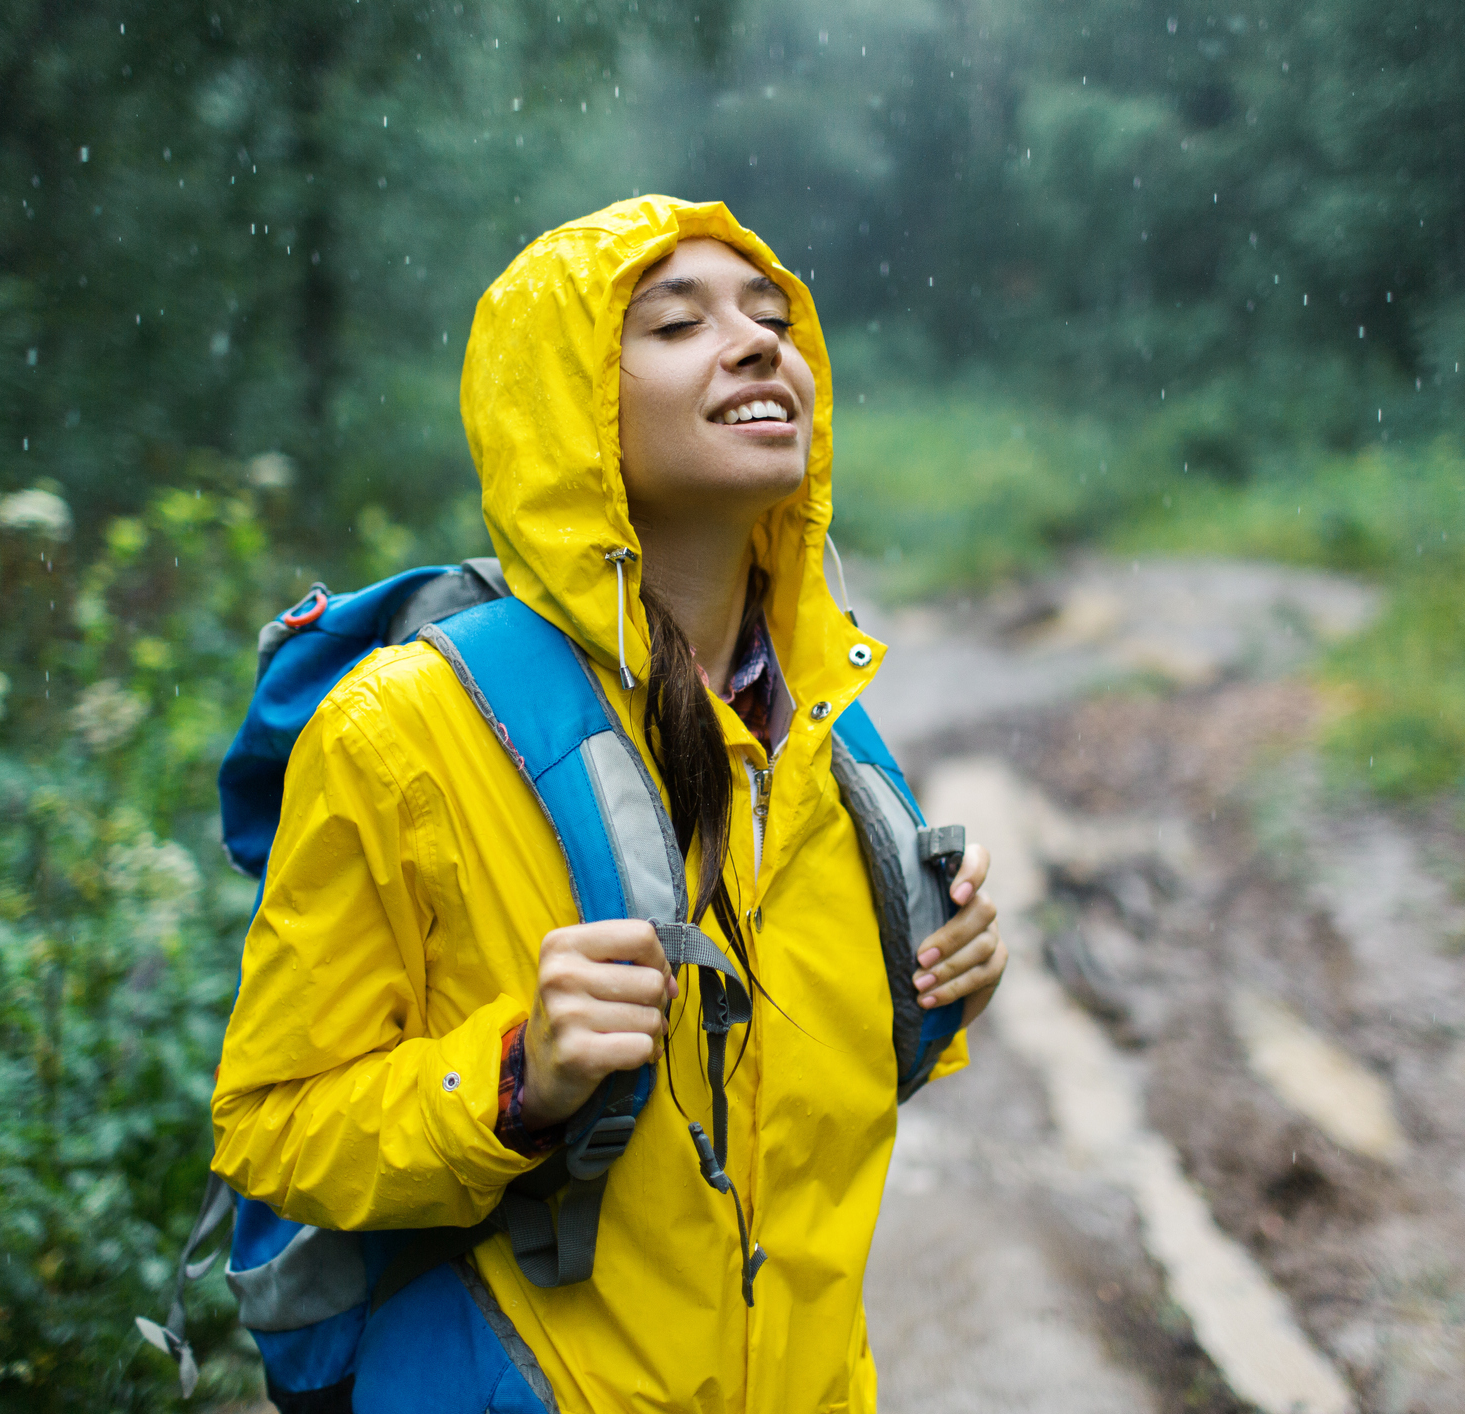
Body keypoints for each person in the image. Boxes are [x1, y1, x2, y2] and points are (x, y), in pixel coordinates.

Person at [211, 195, 1007, 1412]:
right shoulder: (404, 731)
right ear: (565, 414)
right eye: (677, 324)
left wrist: (938, 989)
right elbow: (273, 1127)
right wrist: (518, 1074)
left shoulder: (822, 750)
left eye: (773, 319)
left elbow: (782, 1127)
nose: (757, 345)